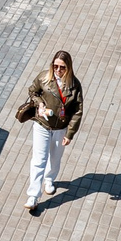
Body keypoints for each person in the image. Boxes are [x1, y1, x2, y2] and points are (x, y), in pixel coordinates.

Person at [18, 50, 83, 215]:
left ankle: (49, 179)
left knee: (55, 158)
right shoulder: (44, 77)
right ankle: (33, 196)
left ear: (68, 68)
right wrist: (39, 103)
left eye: (62, 67)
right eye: (55, 66)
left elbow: (77, 111)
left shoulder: (74, 85)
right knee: (38, 160)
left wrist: (70, 134)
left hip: (61, 128)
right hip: (42, 124)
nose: (58, 70)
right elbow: (33, 91)